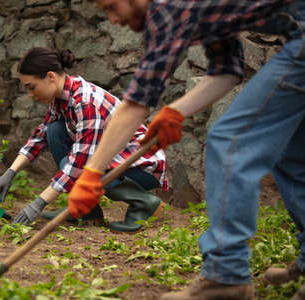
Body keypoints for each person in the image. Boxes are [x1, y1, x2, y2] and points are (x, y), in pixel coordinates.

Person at [67, 0, 305, 299]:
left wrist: (92, 173)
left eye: (111, 7)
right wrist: (175, 111)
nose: (112, 19)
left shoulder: (169, 6)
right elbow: (228, 70)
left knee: (231, 139)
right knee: (291, 154)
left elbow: (136, 104)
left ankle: (226, 276)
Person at [0, 47, 168, 233]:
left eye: (31, 87)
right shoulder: (61, 98)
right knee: (54, 131)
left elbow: (79, 164)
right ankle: (88, 212)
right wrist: (11, 172)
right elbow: (40, 137)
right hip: (114, 159)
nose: (30, 94)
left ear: (50, 77)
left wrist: (38, 203)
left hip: (141, 165)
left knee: (77, 164)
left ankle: (145, 204)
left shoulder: (86, 104)